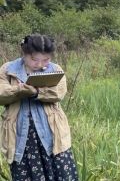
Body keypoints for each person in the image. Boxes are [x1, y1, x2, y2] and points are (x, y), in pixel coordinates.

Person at [0, 34, 79, 180]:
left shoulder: (55, 69)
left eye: (46, 59)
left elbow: (59, 92)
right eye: (34, 59)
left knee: (63, 174)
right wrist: (19, 90)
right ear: (24, 54)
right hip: (20, 138)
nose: (40, 64)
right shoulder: (8, 70)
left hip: (53, 135)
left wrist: (37, 92)